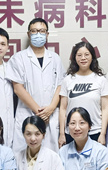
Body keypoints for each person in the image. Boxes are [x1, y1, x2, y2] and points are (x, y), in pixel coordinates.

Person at [7, 18, 65, 153]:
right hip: (27, 113)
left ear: (47, 34)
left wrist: (50, 109)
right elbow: (18, 89)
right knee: (24, 158)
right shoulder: (18, 58)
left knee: (51, 157)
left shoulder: (55, 58)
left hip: (51, 116)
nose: (38, 34)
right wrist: (40, 113)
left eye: (42, 31)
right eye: (34, 31)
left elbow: (60, 86)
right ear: (29, 34)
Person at [58, 41, 108, 147]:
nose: (83, 58)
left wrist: (103, 134)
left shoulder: (101, 80)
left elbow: (105, 109)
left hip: (95, 131)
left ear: (92, 57)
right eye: (79, 55)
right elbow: (63, 108)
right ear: (74, 57)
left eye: (87, 54)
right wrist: (62, 134)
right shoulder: (67, 80)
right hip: (72, 132)